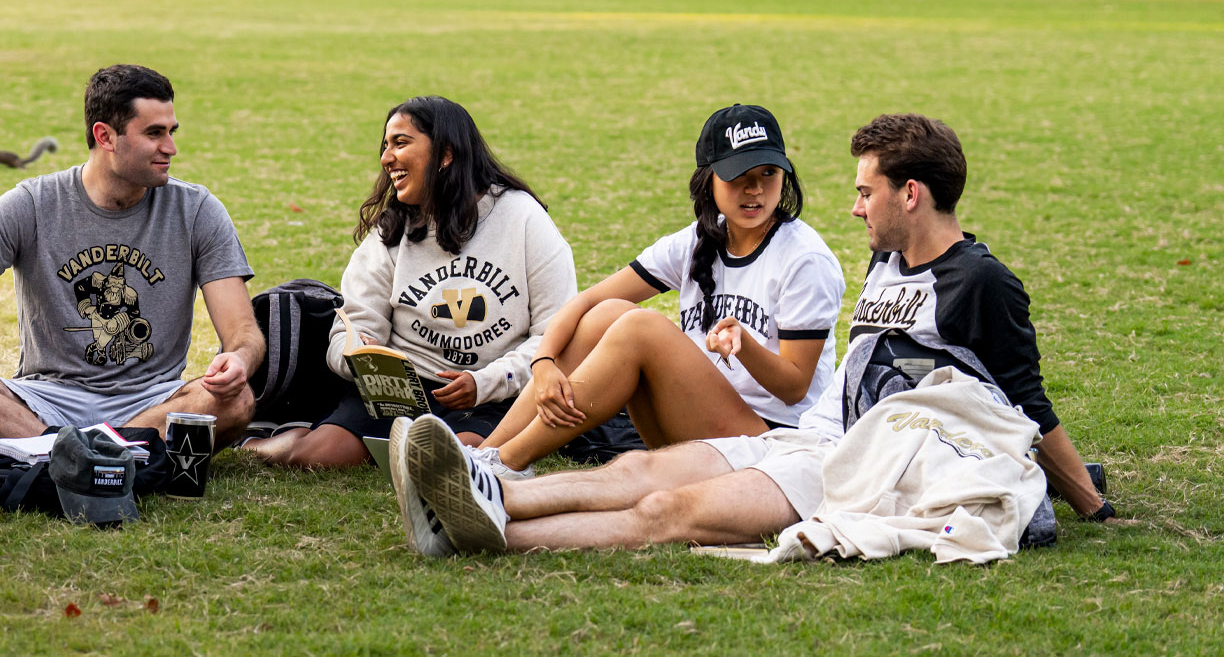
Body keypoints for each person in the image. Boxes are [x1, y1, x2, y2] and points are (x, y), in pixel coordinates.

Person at [393, 113, 1114, 555]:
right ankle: (479, 489)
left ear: (911, 194)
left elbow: (1027, 403)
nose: (856, 207)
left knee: (666, 513)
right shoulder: (887, 260)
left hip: (843, 469)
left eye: (867, 191)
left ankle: (489, 533)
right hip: (797, 441)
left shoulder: (979, 282)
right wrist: (547, 356)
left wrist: (1090, 502)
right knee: (637, 472)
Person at [471, 104, 842, 480]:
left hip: (773, 446)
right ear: (708, 180)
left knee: (640, 328)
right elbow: (586, 302)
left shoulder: (805, 259)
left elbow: (795, 388)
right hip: (700, 427)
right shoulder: (699, 238)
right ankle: (483, 454)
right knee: (609, 313)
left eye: (769, 173)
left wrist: (744, 345)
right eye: (738, 175)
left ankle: (506, 465)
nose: (755, 189)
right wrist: (544, 362)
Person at [0, 64, 263, 443]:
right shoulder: (32, 204)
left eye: (171, 132)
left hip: (153, 401)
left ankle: (58, 453)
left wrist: (240, 359)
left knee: (236, 401)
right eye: (154, 133)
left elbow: (243, 331)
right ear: (105, 136)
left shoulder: (197, 210)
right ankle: (106, 453)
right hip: (47, 398)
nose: (171, 147)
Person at [243, 96, 576, 469]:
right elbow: (346, 329)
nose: (386, 158)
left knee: (446, 461)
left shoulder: (521, 217)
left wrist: (484, 382)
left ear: (446, 154)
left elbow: (556, 337)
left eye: (400, 143)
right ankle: (259, 444)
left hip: (489, 395)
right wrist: (357, 356)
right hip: (402, 394)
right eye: (385, 146)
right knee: (314, 457)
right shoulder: (392, 231)